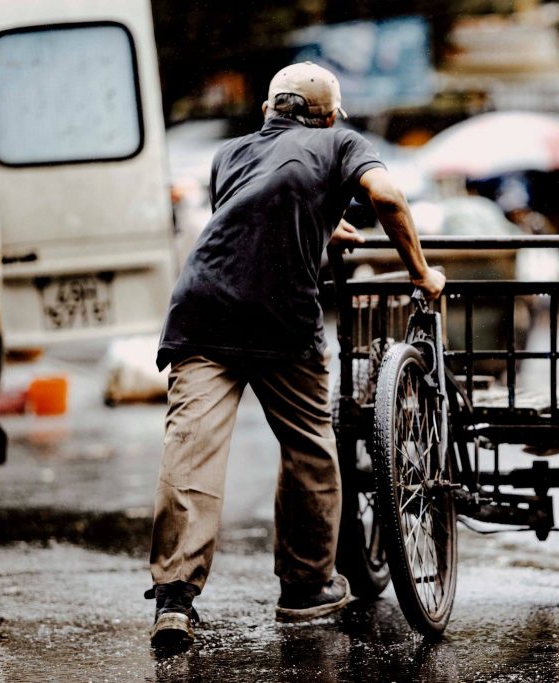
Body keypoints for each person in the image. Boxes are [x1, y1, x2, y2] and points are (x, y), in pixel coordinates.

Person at [145, 62, 445, 648]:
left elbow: (250, 207)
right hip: (282, 318)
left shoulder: (228, 153)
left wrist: (322, 225)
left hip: (203, 307)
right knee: (309, 446)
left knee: (191, 451)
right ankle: (305, 587)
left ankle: (174, 599)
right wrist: (421, 271)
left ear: (267, 111)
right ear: (328, 115)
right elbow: (384, 193)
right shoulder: (342, 141)